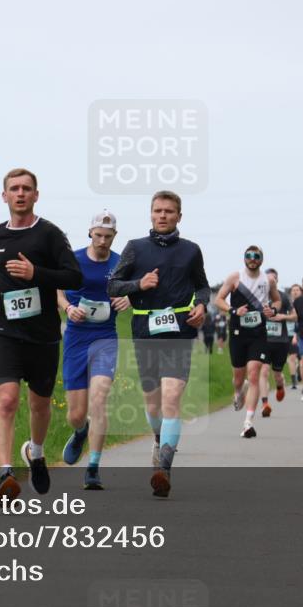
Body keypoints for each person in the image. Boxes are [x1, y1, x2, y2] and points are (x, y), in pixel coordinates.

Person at [0, 168, 82, 499]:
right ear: (4, 195)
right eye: (14, 188)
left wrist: (36, 272)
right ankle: (5, 474)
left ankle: (35, 453)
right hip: (5, 332)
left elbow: (73, 277)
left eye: (26, 189)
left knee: (40, 404)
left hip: (44, 335)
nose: (20, 193)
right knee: (6, 400)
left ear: (36, 195)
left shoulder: (50, 235)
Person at [108, 190, 209, 497]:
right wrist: (140, 284)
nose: (162, 215)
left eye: (168, 211)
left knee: (171, 398)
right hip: (145, 331)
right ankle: (157, 438)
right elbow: (112, 284)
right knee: (152, 402)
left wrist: (202, 306)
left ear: (179, 216)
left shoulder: (191, 250)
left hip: (179, 332)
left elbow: (202, 286)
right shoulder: (135, 248)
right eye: (157, 210)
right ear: (150, 214)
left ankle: (163, 468)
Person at [56, 210, 130, 490]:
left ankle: (93, 467)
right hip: (76, 337)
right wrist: (68, 307)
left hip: (105, 337)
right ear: (90, 232)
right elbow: (58, 291)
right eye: (98, 235)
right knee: (76, 414)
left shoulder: (120, 262)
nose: (102, 241)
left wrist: (127, 298)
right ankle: (80, 431)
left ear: (114, 237)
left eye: (108, 237)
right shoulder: (72, 259)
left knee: (99, 399)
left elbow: (131, 289)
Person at [214, 246, 280, 437]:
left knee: (253, 375)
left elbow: (276, 301)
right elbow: (218, 299)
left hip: (258, 333)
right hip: (237, 332)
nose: (252, 259)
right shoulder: (235, 277)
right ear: (244, 258)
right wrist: (233, 310)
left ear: (261, 259)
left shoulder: (268, 280)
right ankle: (237, 391)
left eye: (256, 256)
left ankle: (248, 422)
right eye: (249, 256)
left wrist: (273, 311)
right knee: (238, 376)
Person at [259, 269, 295, 416]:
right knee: (264, 371)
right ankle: (265, 404)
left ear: (276, 281)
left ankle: (280, 386)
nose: (270, 281)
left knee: (277, 374)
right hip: (264, 340)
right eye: (268, 279)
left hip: (281, 341)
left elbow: (295, 316)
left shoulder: (283, 297)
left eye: (273, 279)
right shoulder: (258, 296)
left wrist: (282, 317)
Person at [286, 284, 302, 390]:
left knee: (302, 358)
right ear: (291, 292)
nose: (295, 292)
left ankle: (301, 373)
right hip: (286, 333)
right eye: (293, 290)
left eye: (297, 290)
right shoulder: (286, 304)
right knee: (292, 358)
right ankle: (294, 381)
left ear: (301, 292)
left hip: (300, 334)